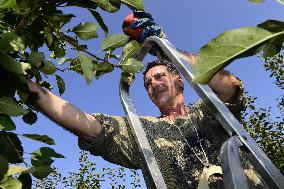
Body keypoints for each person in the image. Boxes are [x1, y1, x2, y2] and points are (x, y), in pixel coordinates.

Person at [26, 11, 266, 189]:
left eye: (160, 77)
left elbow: (230, 86)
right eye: (148, 83)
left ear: (179, 82)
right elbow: (88, 127)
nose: (153, 84)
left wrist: (167, 50)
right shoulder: (143, 132)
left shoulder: (206, 113)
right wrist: (26, 85)